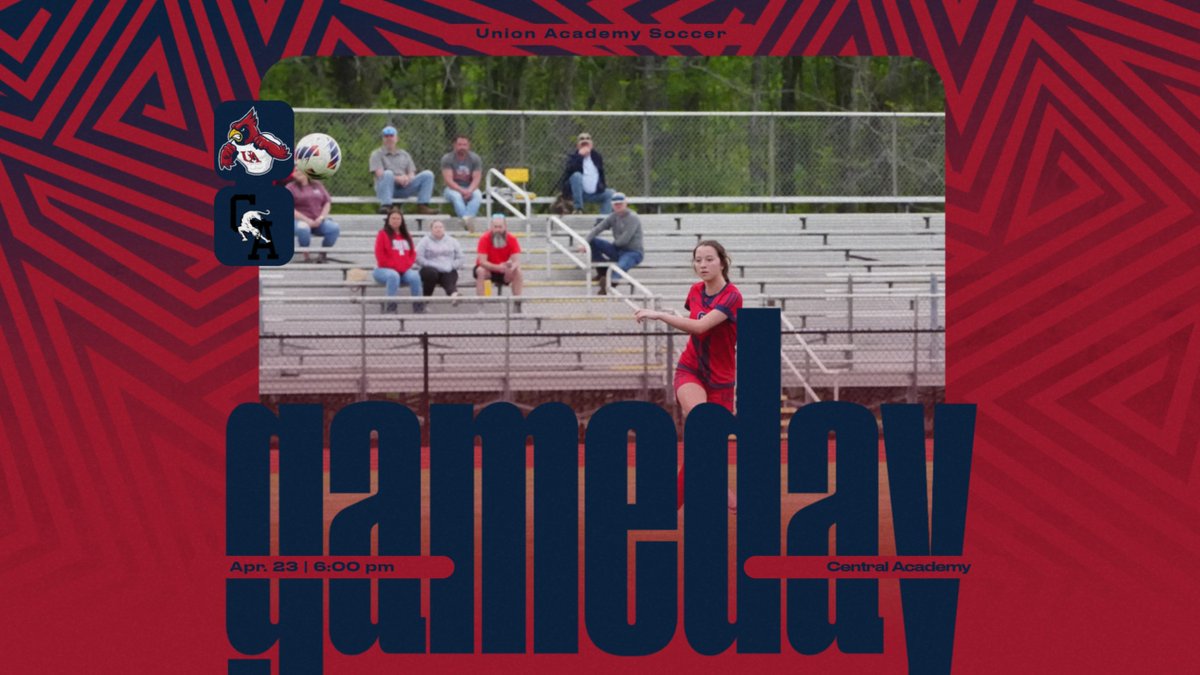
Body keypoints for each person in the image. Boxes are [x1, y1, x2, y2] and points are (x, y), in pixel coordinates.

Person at [634, 240, 741, 513]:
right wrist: (668, 316)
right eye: (698, 260)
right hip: (690, 370)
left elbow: (700, 326)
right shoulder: (694, 290)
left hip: (721, 379)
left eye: (708, 259)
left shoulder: (732, 296)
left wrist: (661, 315)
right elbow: (693, 318)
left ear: (722, 262)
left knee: (705, 447)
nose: (702, 265)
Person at [577, 192, 643, 294]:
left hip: (632, 252)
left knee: (621, 266)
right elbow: (597, 229)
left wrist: (613, 246)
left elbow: (624, 240)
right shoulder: (613, 216)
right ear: (612, 205)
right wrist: (585, 243)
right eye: (616, 204)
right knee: (593, 242)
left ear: (626, 203)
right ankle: (602, 271)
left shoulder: (632, 218)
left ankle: (609, 284)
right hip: (618, 249)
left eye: (620, 203)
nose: (618, 206)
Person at [369, 125, 437, 214]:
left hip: (403, 187)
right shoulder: (376, 154)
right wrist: (397, 178)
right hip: (386, 188)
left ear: (397, 138)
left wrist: (407, 179)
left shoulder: (405, 154)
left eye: (391, 136)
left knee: (428, 175)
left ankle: (423, 206)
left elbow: (412, 173)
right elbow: (380, 174)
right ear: (383, 139)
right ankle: (386, 206)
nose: (389, 139)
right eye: (386, 136)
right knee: (388, 174)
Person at [372, 208, 424, 313]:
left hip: (403, 271)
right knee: (393, 275)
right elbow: (380, 256)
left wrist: (405, 266)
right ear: (388, 220)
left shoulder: (406, 235)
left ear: (402, 221)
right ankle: (391, 307)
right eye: (393, 218)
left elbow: (412, 254)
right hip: (383, 270)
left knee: (414, 276)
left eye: (398, 218)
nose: (395, 220)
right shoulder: (382, 234)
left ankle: (418, 306)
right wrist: (397, 267)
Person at [287, 169, 339, 260]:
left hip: (318, 220)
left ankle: (323, 254)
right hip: (298, 220)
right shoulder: (290, 188)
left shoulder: (317, 185)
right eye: (295, 171)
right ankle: (306, 254)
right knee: (303, 228)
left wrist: (321, 218)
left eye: (300, 170)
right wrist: (307, 220)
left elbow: (327, 202)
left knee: (334, 228)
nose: (298, 173)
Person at [557, 131, 614, 214]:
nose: (585, 140)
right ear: (577, 144)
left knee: (611, 193)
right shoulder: (573, 157)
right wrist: (580, 156)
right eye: (582, 139)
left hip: (594, 193)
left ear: (592, 143)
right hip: (577, 194)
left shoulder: (597, 157)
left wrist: (602, 186)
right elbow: (570, 170)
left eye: (588, 138)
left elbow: (601, 175)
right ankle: (578, 209)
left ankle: (602, 222)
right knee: (577, 176)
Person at [474, 214, 523, 297]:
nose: (498, 230)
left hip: (503, 270)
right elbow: (482, 262)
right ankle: (481, 303)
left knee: (518, 271)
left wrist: (511, 268)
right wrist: (498, 267)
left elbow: (516, 261)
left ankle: (517, 302)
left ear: (505, 227)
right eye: (495, 227)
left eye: (500, 227)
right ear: (491, 227)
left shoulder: (512, 239)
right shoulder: (484, 238)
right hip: (488, 270)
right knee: (480, 271)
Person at [416, 220, 463, 303]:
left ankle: (454, 295)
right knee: (431, 274)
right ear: (431, 229)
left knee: (450, 274)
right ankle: (425, 300)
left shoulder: (452, 241)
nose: (438, 229)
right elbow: (418, 258)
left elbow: (460, 257)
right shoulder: (424, 241)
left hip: (447, 268)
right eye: (436, 227)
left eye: (440, 227)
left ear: (444, 228)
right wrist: (434, 265)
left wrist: (452, 265)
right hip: (429, 269)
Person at [440, 135, 483, 218]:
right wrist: (462, 191)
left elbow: (477, 178)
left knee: (477, 195)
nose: (462, 147)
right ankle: (468, 221)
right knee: (457, 196)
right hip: (451, 189)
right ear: (454, 145)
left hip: (470, 187)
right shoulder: (447, 158)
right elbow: (448, 181)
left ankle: (466, 220)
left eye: (464, 145)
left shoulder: (475, 158)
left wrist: (469, 190)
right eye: (459, 144)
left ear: (469, 145)